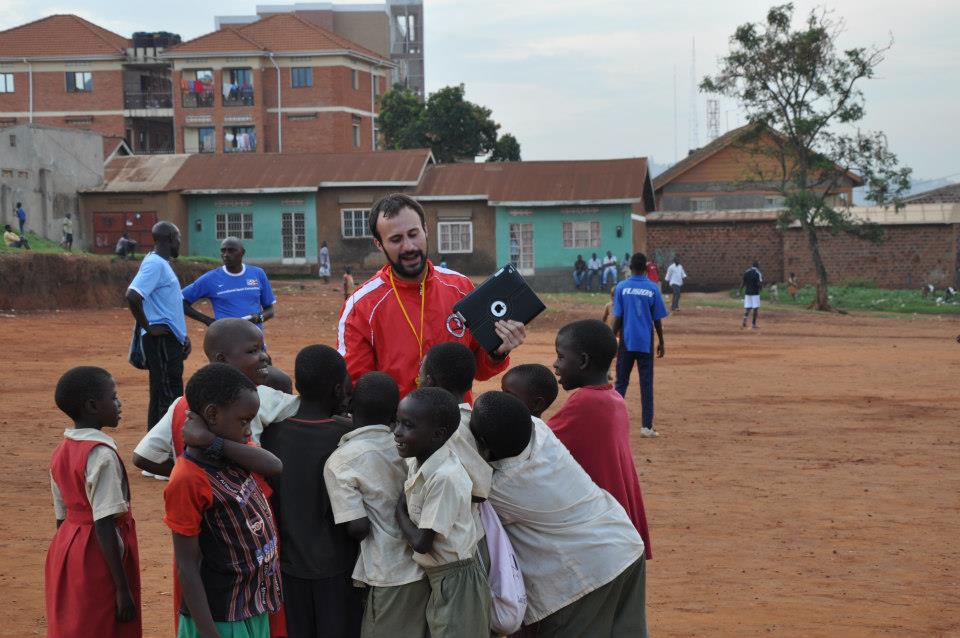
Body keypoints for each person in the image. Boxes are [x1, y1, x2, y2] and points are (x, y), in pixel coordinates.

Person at [469, 392, 648, 637]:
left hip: (586, 573)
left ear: (484, 447)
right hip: (624, 543)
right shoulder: (540, 431)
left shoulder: (501, 486)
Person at [337, 193, 525, 399]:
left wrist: (497, 353)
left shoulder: (461, 288)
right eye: (396, 239)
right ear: (379, 244)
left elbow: (480, 369)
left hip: (456, 424)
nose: (408, 246)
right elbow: (358, 386)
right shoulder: (360, 306)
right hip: (397, 428)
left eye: (413, 233)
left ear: (426, 230)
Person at [163, 364, 283, 638]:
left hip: (249, 604)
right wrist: (208, 633)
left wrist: (212, 442)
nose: (248, 430)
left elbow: (274, 465)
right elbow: (187, 565)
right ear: (213, 414)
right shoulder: (188, 478)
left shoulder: (232, 451)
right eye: (243, 421)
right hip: (219, 617)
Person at [260, 345, 361, 638]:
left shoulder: (270, 436)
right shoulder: (345, 438)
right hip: (338, 567)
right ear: (338, 389)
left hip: (287, 567)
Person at [324, 372, 430, 638]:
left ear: (350, 407)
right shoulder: (409, 442)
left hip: (390, 571)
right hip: (427, 565)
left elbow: (358, 527)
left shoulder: (342, 460)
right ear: (396, 411)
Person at [132, 318, 298, 478]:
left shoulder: (181, 404)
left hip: (200, 500)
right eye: (253, 351)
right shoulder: (259, 396)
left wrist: (200, 475)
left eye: (263, 349)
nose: (264, 357)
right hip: (245, 499)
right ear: (222, 359)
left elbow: (143, 457)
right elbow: (308, 410)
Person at [45, 367, 141, 638]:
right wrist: (122, 589)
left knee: (77, 623)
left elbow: (61, 516)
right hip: (100, 554)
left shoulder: (62, 450)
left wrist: (67, 561)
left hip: (67, 548)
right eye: (114, 397)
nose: (119, 403)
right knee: (105, 624)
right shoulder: (101, 455)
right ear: (92, 406)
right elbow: (104, 524)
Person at [550, 320, 653, 559]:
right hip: (617, 522)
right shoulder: (613, 398)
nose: (556, 365)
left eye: (561, 357)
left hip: (602, 528)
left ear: (584, 361)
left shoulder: (586, 402)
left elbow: (538, 446)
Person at [393, 387, 490, 637]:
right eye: (397, 422)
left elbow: (422, 542)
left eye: (408, 425)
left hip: (457, 579)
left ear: (438, 435)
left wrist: (398, 512)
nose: (397, 432)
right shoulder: (419, 460)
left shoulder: (444, 477)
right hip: (443, 576)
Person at [125, 221, 191, 432]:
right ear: (171, 238)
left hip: (168, 339)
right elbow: (133, 296)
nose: (180, 243)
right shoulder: (155, 264)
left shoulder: (162, 264)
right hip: (160, 339)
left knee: (167, 391)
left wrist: (182, 337)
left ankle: (160, 447)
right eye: (178, 238)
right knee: (166, 395)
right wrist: (149, 327)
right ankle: (161, 450)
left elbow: (169, 305)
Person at [418, 343, 493, 516]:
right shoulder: (472, 418)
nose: (418, 374)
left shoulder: (445, 430)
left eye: (421, 369)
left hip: (452, 524)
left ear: (429, 380)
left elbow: (479, 490)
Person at [611, 254, 668, 437]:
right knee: (646, 384)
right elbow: (656, 319)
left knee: (621, 383)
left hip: (626, 342)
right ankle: (646, 427)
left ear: (630, 267)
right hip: (645, 342)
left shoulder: (621, 287)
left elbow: (618, 318)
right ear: (645, 268)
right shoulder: (652, 288)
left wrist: (611, 339)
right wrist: (661, 340)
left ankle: (611, 425)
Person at [182, 237, 276, 334]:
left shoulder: (258, 274)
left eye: (231, 251)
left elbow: (270, 310)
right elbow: (181, 300)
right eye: (223, 251)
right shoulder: (210, 278)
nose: (226, 255)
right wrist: (208, 321)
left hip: (254, 341)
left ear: (242, 252)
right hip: (226, 341)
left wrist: (258, 318)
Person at [738, 260, 764, 329]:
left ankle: (744, 321)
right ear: (757, 266)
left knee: (748, 308)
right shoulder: (758, 273)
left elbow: (743, 282)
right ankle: (753, 324)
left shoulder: (747, 272)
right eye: (759, 265)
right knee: (755, 308)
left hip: (747, 293)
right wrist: (761, 288)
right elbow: (760, 283)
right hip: (755, 293)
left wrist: (739, 291)